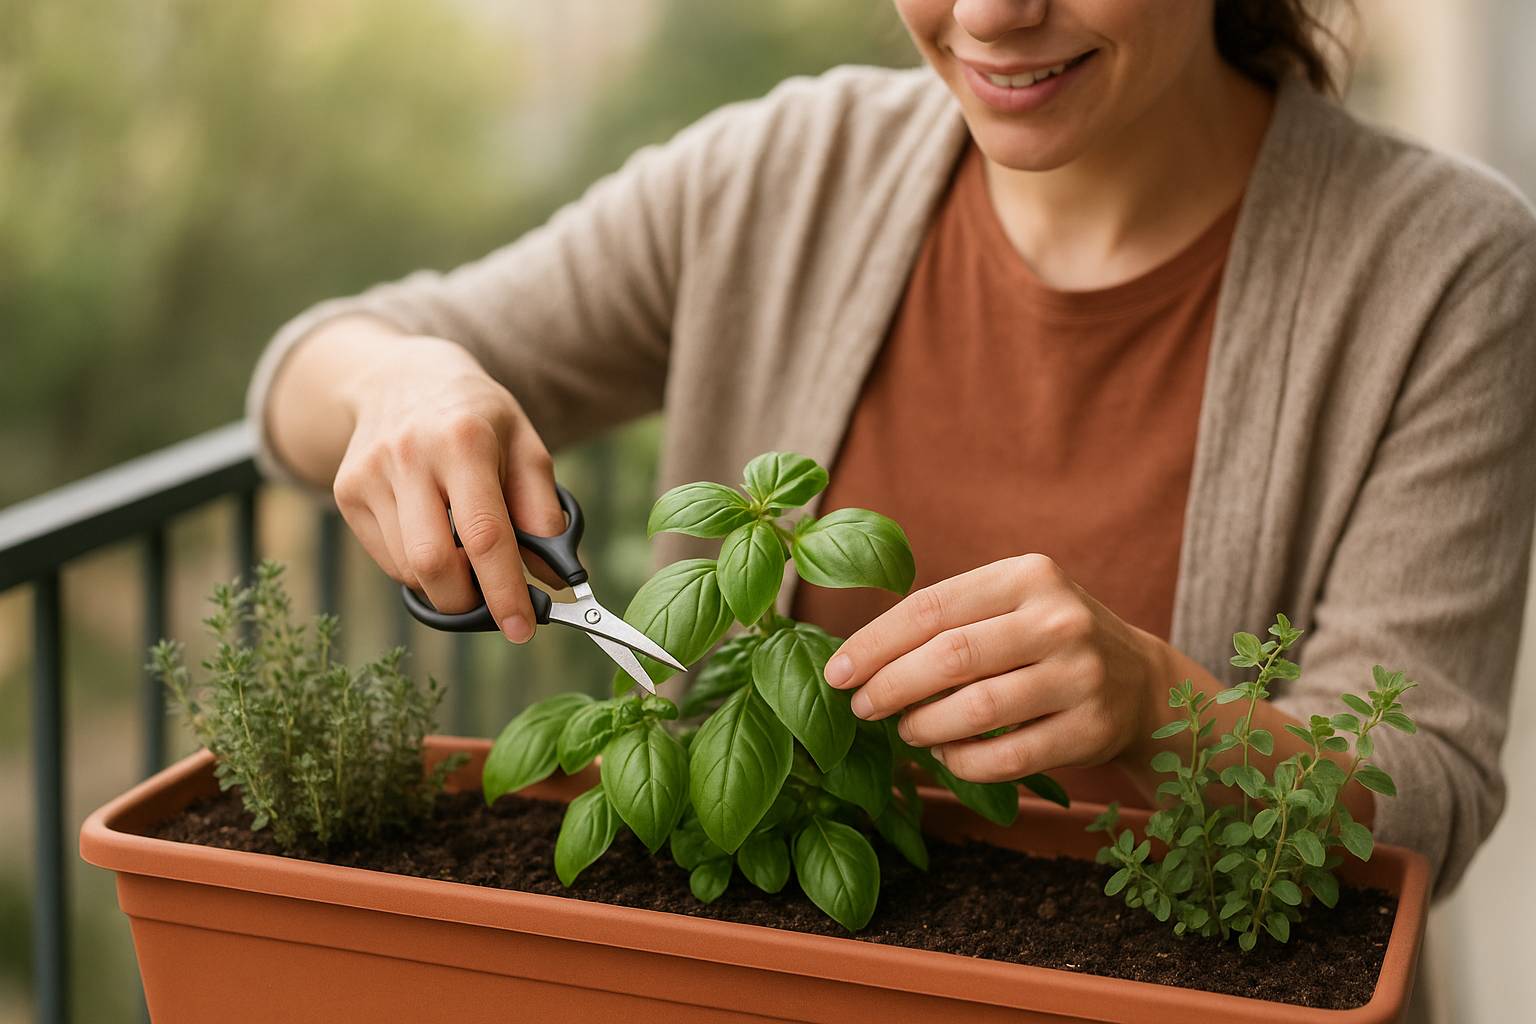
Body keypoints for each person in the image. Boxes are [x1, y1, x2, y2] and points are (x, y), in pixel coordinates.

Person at [248, 0, 1536, 892]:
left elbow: (1423, 801)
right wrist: (404, 379)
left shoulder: (1444, 272)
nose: (987, 17)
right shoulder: (782, 174)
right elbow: (304, 382)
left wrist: (1159, 708)